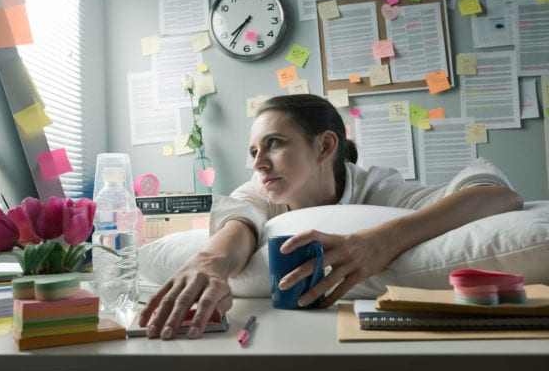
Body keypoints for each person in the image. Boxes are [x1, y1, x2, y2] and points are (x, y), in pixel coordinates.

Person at [138, 94, 523, 340]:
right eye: (254, 149)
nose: (258, 162)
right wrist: (210, 264)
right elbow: (239, 220)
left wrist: (382, 240)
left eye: (273, 143)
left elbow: (493, 193)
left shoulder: (377, 188)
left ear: (324, 145)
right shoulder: (261, 190)